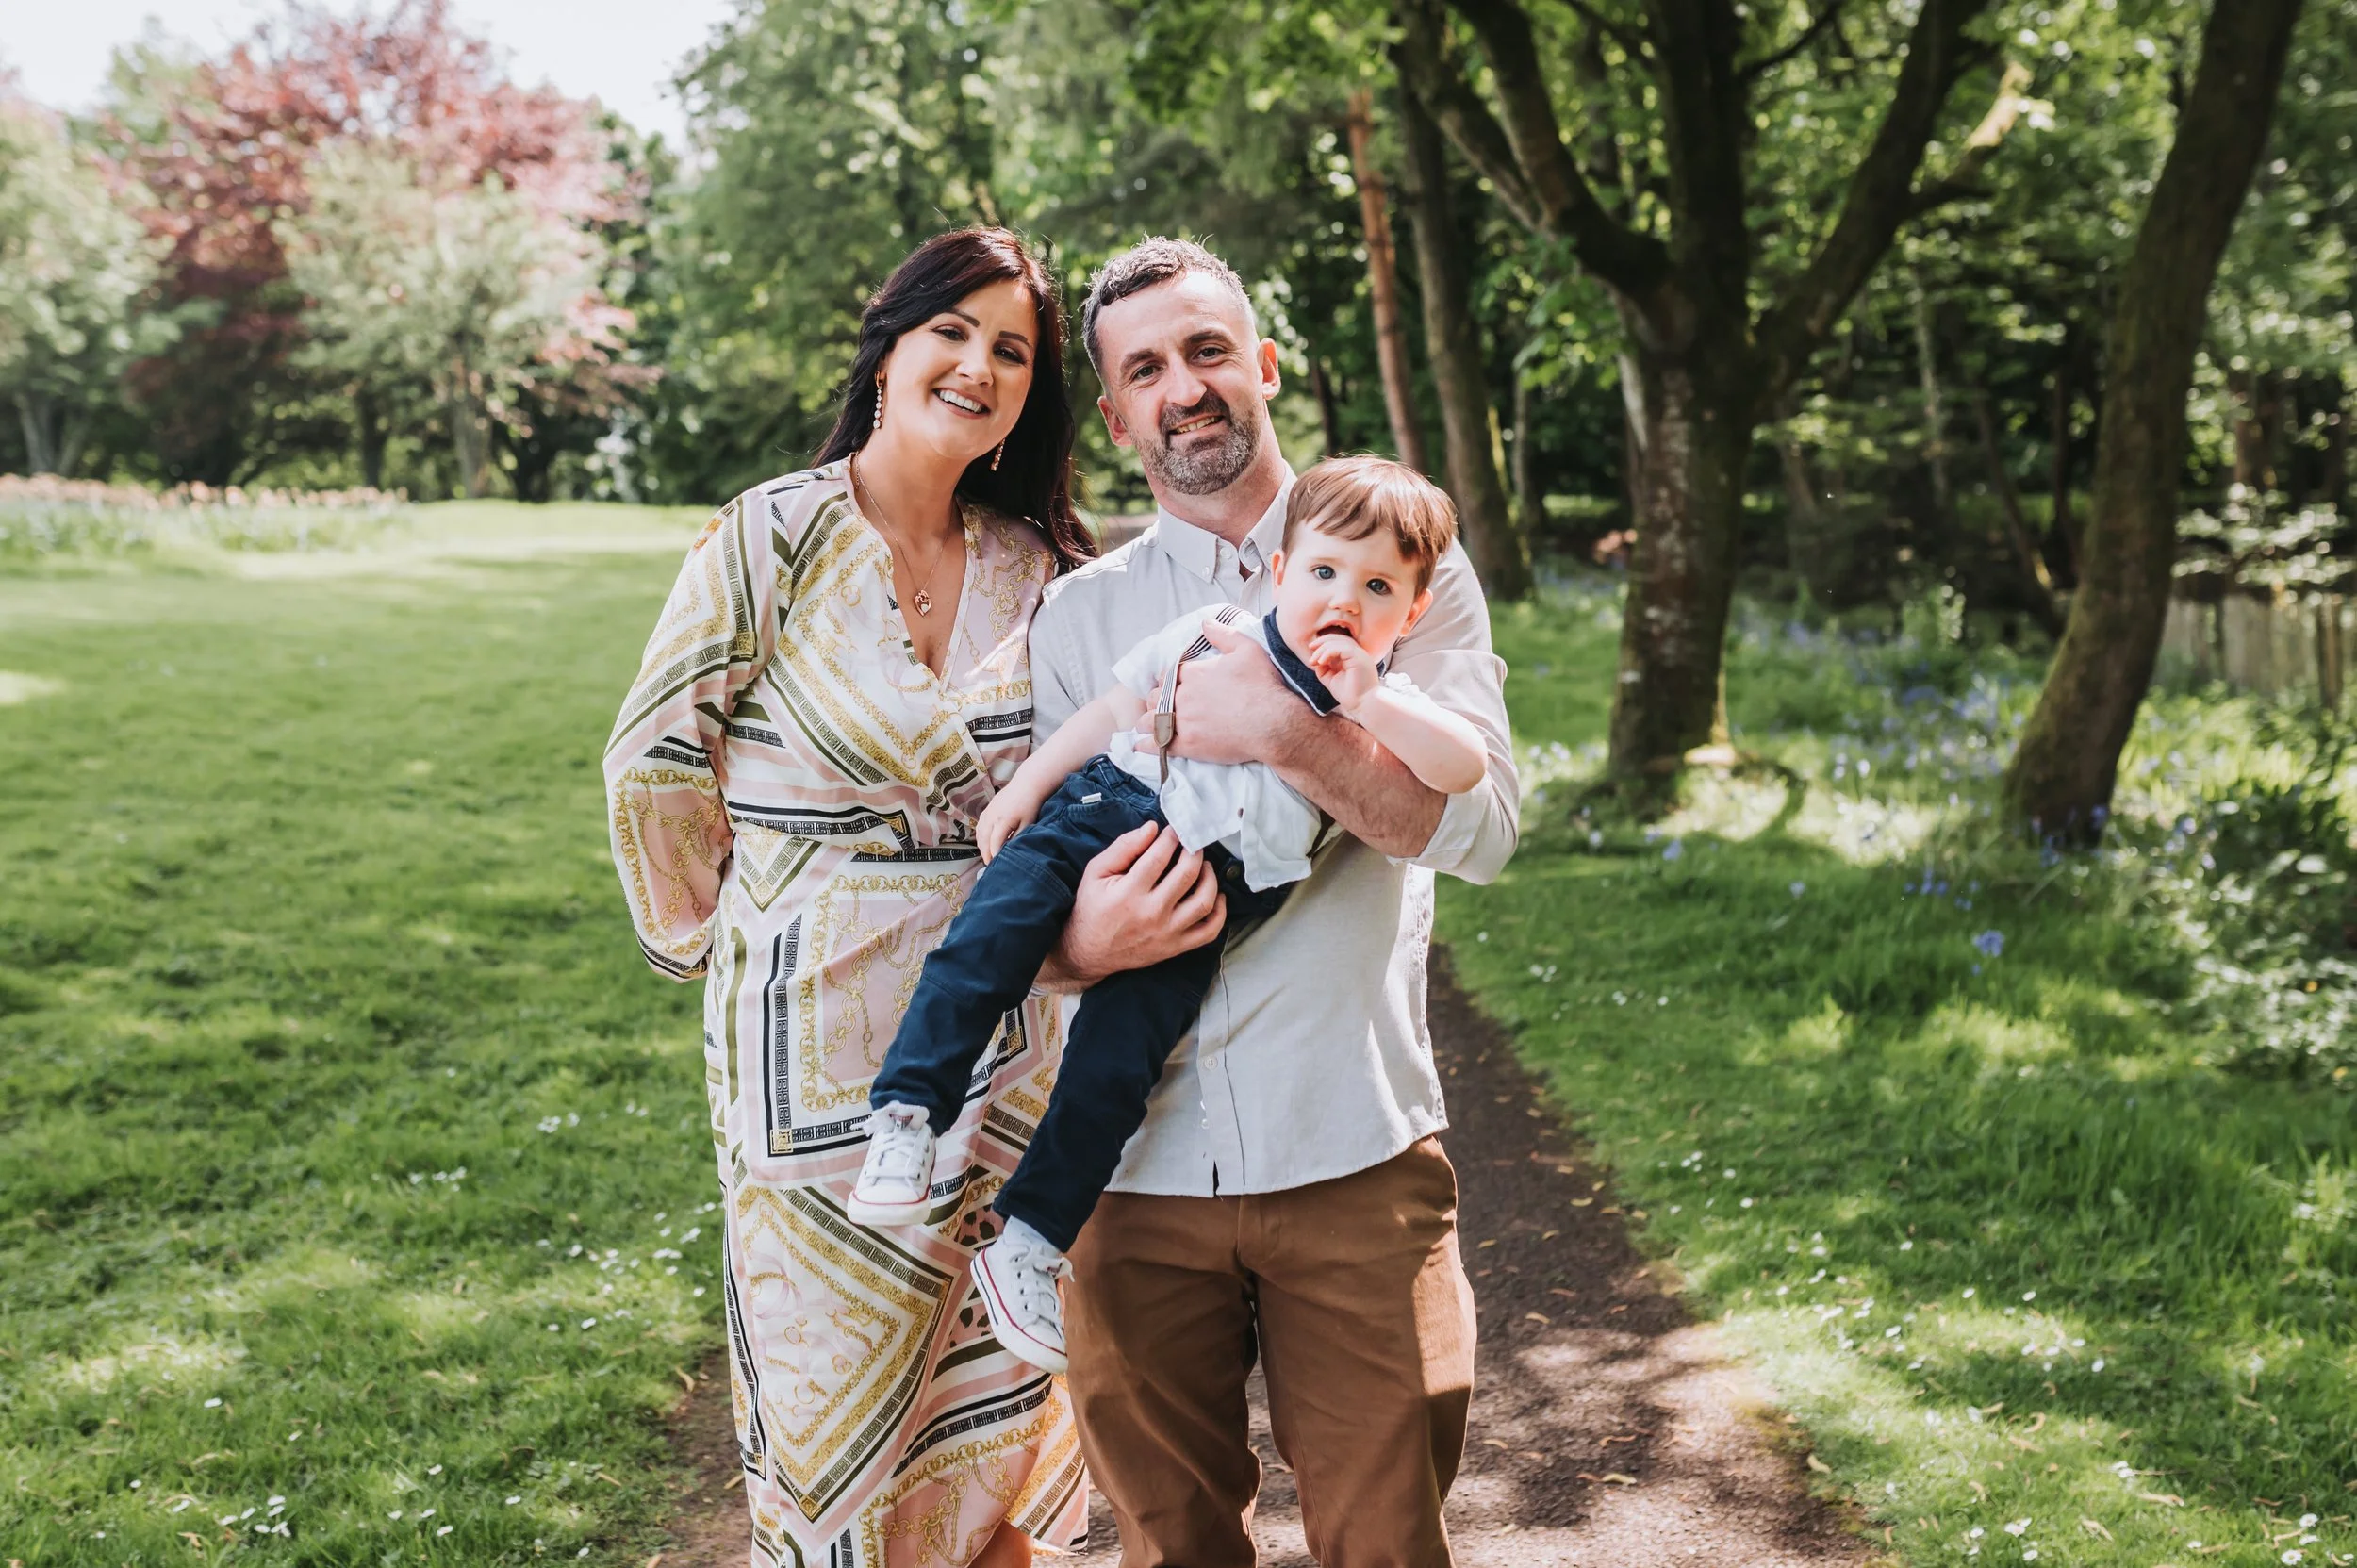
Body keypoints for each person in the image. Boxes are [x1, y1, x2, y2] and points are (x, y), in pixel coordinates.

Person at [604, 227, 1128, 1568]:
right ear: (890, 344)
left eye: (1012, 349)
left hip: (1002, 1061)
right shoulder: (772, 534)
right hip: (806, 1067)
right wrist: (730, 937)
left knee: (989, 1416)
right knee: (832, 1424)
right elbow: (655, 758)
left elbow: (1098, 781)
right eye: (953, 329)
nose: (980, 363)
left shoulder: (1044, 567)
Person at [1030, 238, 1520, 1568]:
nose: (1182, 389)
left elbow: (1484, 828)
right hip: (1133, 1170)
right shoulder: (1081, 620)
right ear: (1118, 413)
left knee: (1385, 1541)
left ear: (1263, 365)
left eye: (1205, 351)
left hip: (1352, 1146)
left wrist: (1288, 736)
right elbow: (1023, 878)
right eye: (1144, 370)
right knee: (1169, 1543)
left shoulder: (1404, 560)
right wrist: (1081, 942)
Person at [849, 457, 1490, 1376]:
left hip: (1206, 908)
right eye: (1321, 572)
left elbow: (1460, 768)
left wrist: (1372, 696)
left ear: (1410, 614)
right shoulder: (1219, 633)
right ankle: (907, 1111)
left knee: (1114, 1074)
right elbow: (1111, 710)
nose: (1342, 598)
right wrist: (1028, 786)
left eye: (1377, 585)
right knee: (983, 948)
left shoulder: (1381, 716)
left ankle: (1026, 1241)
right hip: (1102, 819)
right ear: (1279, 574)